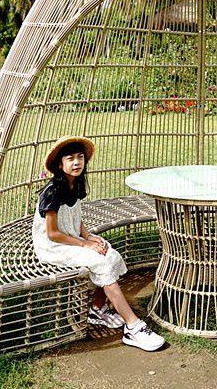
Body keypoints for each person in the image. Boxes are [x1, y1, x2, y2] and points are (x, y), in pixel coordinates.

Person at [33, 136, 166, 350]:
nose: (76, 163)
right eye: (70, 158)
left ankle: (97, 308)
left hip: (72, 238)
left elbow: (75, 217)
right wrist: (84, 245)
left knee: (109, 254)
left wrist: (89, 237)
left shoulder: (75, 184)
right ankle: (133, 327)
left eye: (80, 157)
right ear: (60, 164)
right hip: (53, 246)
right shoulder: (53, 191)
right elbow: (51, 233)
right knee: (102, 261)